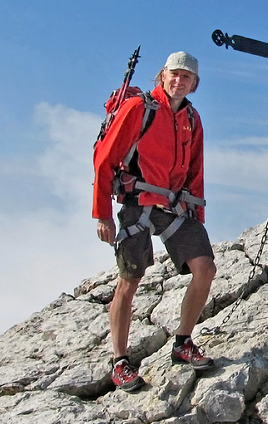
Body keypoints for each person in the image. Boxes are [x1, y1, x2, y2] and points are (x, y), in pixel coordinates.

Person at [93, 51, 217, 392]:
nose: (179, 81)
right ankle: (119, 361)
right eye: (174, 75)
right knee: (130, 280)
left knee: (205, 269)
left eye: (187, 78)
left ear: (194, 85)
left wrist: (198, 216)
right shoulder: (139, 109)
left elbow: (196, 170)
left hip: (175, 205)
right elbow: (104, 161)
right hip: (136, 202)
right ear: (162, 76)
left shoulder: (192, 118)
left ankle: (183, 343)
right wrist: (102, 213)